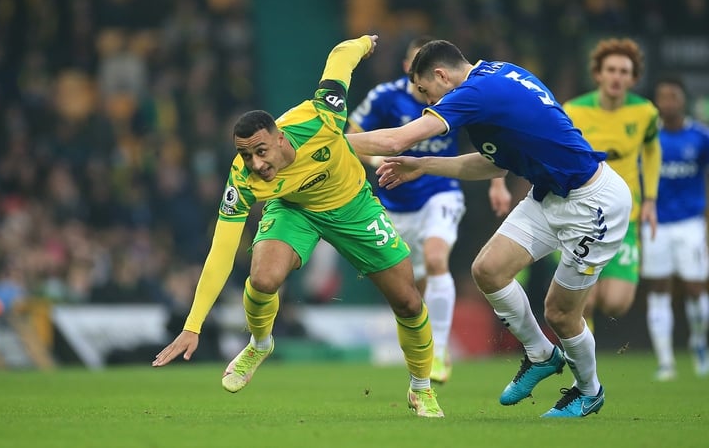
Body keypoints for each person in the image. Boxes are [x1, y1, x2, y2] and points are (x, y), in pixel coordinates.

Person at [151, 35, 445, 418]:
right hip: (295, 210)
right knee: (263, 279)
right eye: (245, 155)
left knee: (407, 300)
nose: (255, 163)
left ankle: (421, 389)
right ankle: (259, 343)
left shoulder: (321, 117)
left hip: (353, 205)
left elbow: (340, 56)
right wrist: (194, 324)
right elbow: (221, 251)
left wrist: (364, 42)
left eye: (261, 151)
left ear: (279, 138)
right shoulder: (243, 178)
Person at [347, 39, 632, 418]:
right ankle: (540, 355)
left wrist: (327, 142)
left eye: (424, 90)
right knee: (488, 271)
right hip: (550, 195)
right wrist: (424, 164)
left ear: (440, 75)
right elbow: (495, 165)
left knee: (560, 314)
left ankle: (589, 390)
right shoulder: (498, 73)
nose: (425, 100)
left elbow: (397, 138)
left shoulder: (475, 92)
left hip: (592, 204)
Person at [347, 35, 512, 384]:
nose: (413, 68)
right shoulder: (384, 96)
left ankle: (439, 352)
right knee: (412, 287)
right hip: (395, 201)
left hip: (440, 190)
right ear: (407, 66)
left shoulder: (458, 97)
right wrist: (377, 159)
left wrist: (498, 182)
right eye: (410, 61)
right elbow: (353, 132)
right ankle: (422, 349)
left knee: (438, 260)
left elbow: (495, 140)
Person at [562, 38, 661, 331]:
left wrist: (651, 200)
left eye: (624, 71)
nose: (617, 77)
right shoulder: (573, 110)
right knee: (584, 302)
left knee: (616, 302)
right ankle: (584, 367)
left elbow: (653, 150)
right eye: (611, 70)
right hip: (582, 214)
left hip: (626, 216)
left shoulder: (645, 113)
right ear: (598, 74)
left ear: (633, 78)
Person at [642, 76, 709, 380]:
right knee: (658, 288)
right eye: (662, 97)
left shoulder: (700, 136)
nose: (667, 102)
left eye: (672, 96)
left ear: (682, 100)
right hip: (655, 221)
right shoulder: (649, 137)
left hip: (691, 222)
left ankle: (699, 340)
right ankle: (665, 361)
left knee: (696, 289)